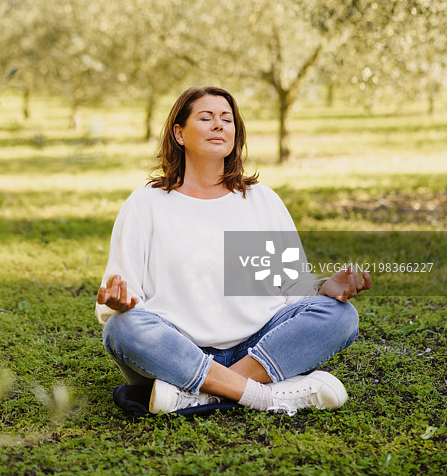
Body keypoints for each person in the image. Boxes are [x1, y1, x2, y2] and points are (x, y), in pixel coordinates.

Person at [96, 86, 372, 415]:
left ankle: (200, 393)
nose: (218, 125)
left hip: (258, 348)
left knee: (340, 316)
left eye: (227, 119)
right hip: (178, 350)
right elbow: (122, 296)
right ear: (179, 133)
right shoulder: (146, 203)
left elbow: (293, 287)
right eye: (206, 117)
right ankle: (264, 396)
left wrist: (324, 289)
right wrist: (121, 302)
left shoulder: (261, 200)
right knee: (122, 329)